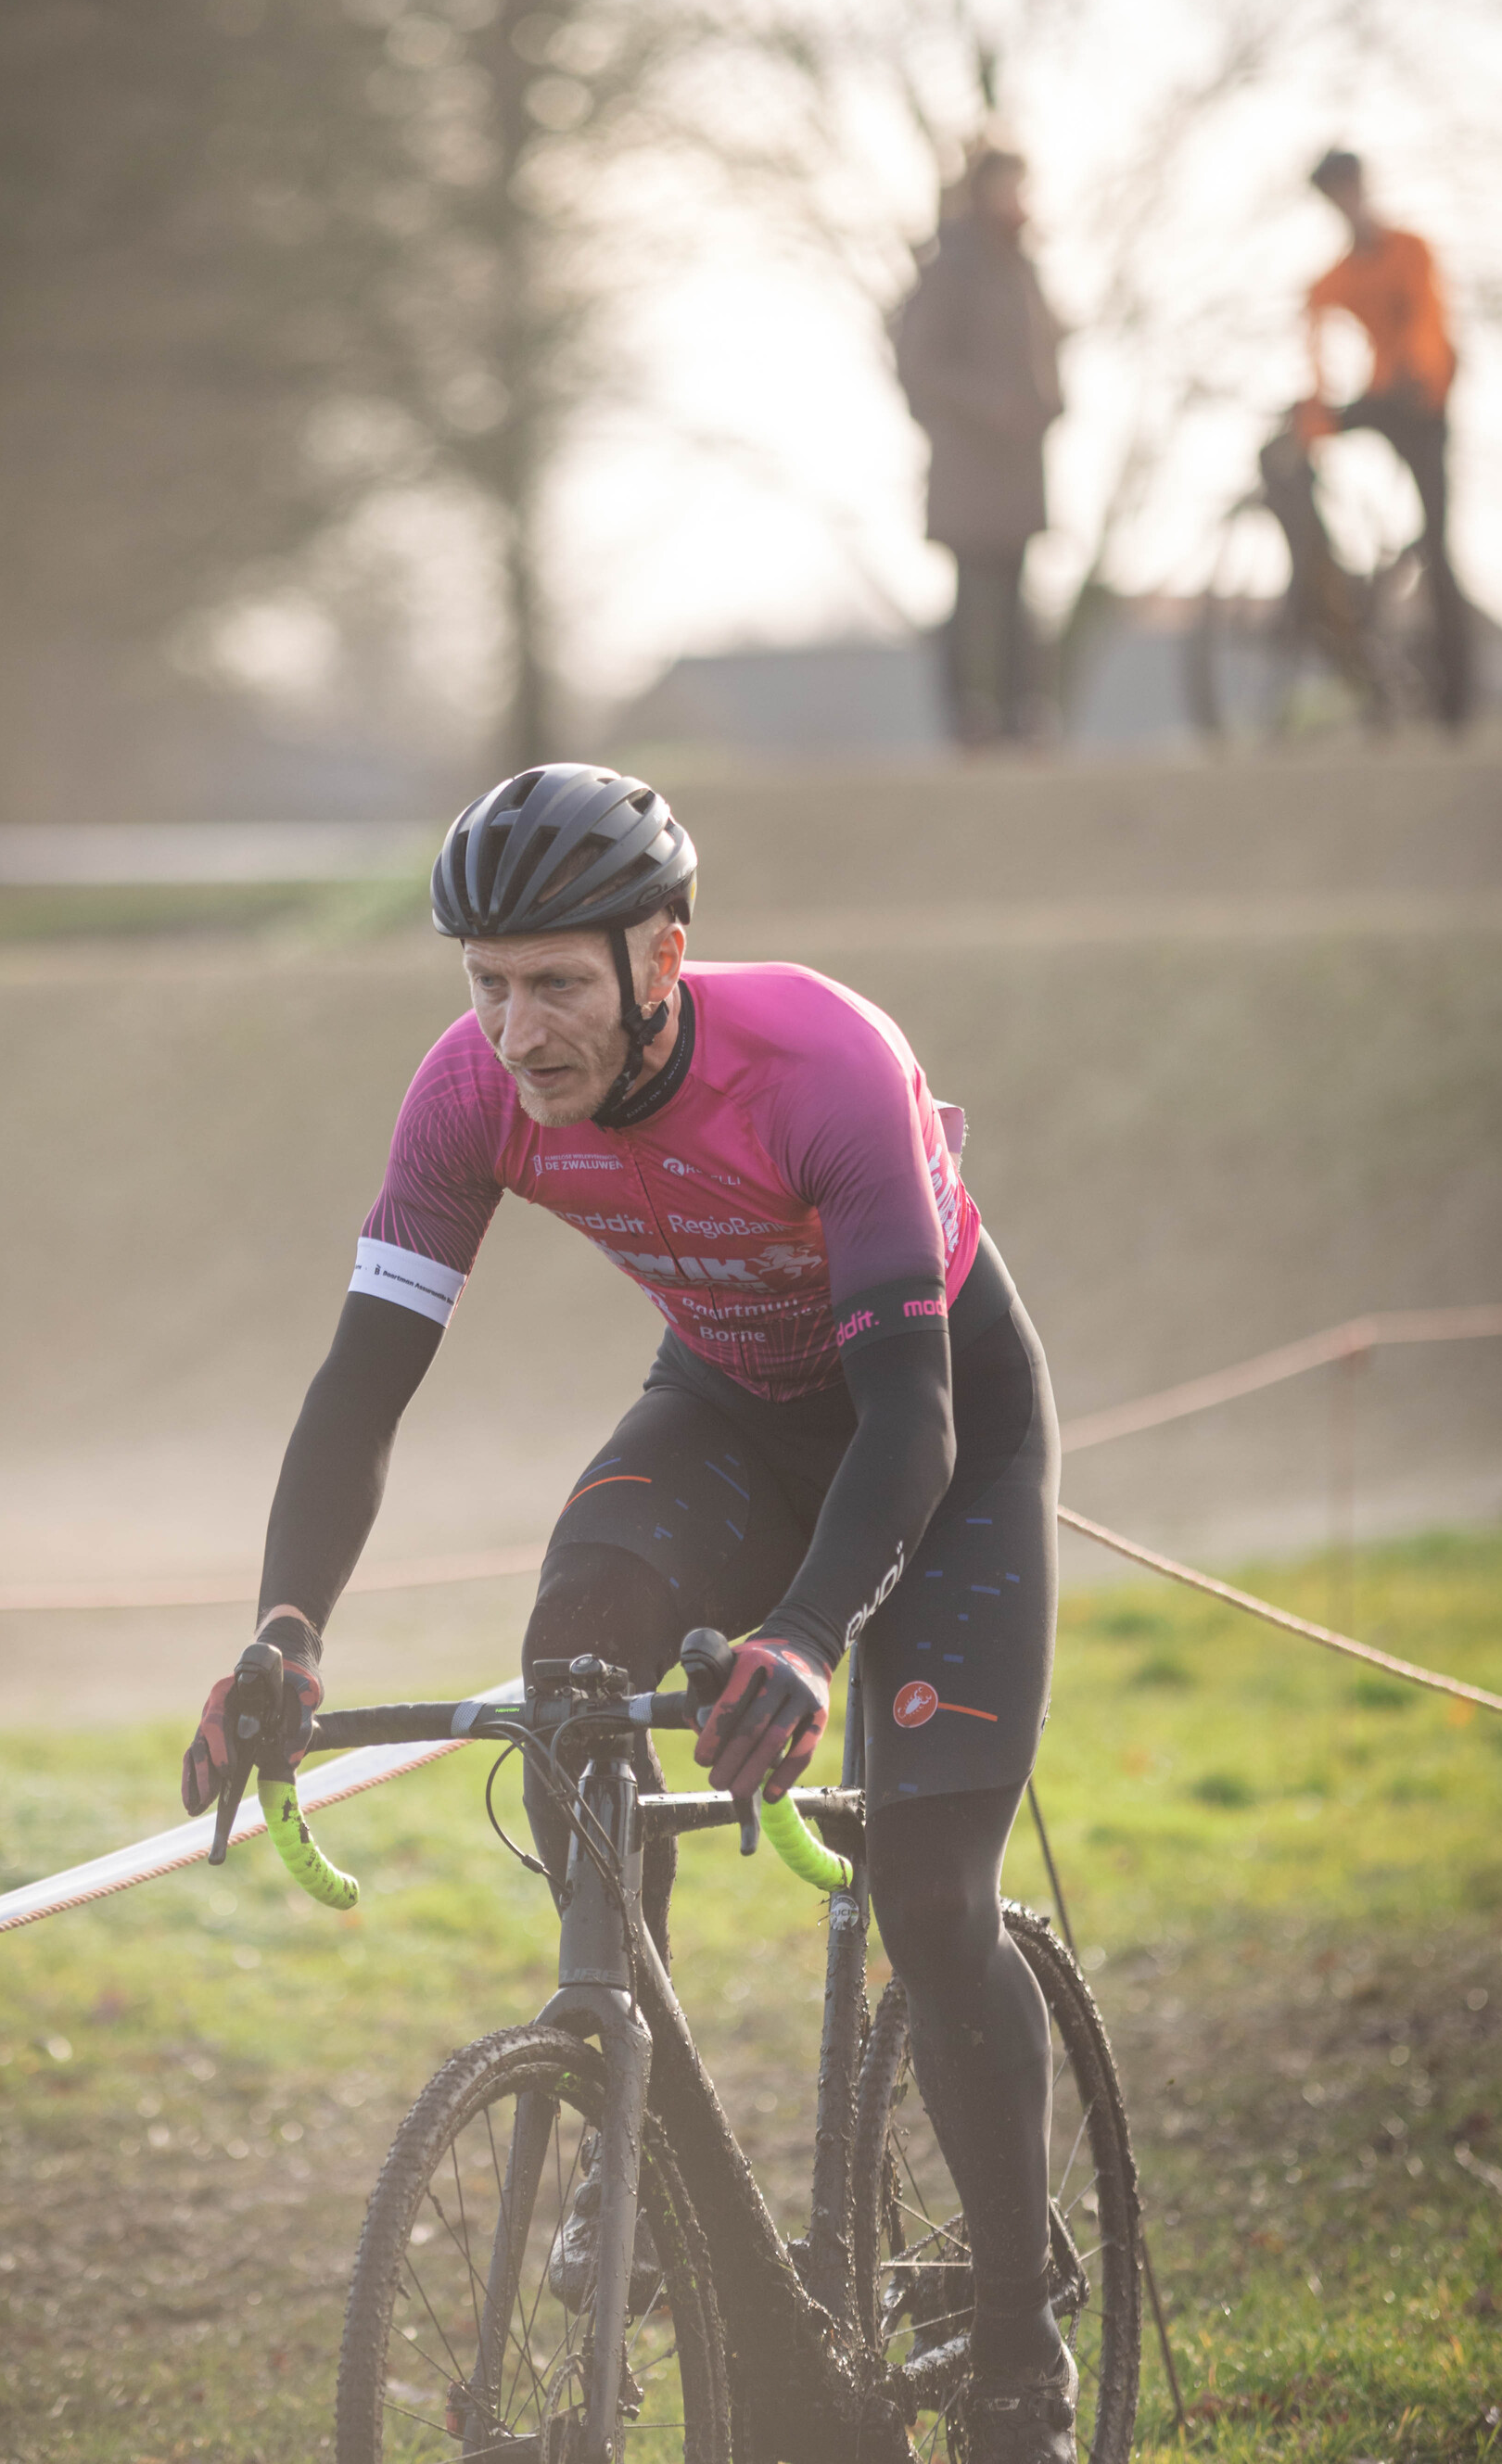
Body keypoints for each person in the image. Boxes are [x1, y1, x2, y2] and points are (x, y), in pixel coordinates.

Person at [183, 763, 1076, 2464]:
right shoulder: (467, 1096)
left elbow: (913, 1422)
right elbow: (365, 1382)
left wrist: (806, 1638)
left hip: (935, 1427)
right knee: (575, 1654)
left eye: (558, 985)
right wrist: (286, 1628)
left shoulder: (819, 1059)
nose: (518, 1033)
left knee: (928, 1887)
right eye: (487, 985)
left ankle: (1021, 2342)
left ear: (664, 955)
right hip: (731, 1406)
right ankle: (628, 2144)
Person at [895, 142, 1063, 746]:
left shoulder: (1023, 267)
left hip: (1018, 460)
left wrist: (1052, 400)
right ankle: (968, 715)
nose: (1020, 199)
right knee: (973, 590)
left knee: (1018, 589)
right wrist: (989, 405)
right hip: (971, 465)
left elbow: (1044, 349)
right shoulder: (952, 268)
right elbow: (921, 363)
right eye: (1010, 187)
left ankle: (1026, 713)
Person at [1297, 147, 1471, 728]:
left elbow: (1429, 320)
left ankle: (1457, 695)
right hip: (1379, 395)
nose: (1344, 202)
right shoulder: (1336, 277)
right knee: (1282, 453)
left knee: (1438, 544)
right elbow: (1314, 332)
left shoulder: (1411, 250)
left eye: (1348, 188)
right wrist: (1316, 404)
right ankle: (1328, 595)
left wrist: (1416, 374)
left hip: (1424, 399)